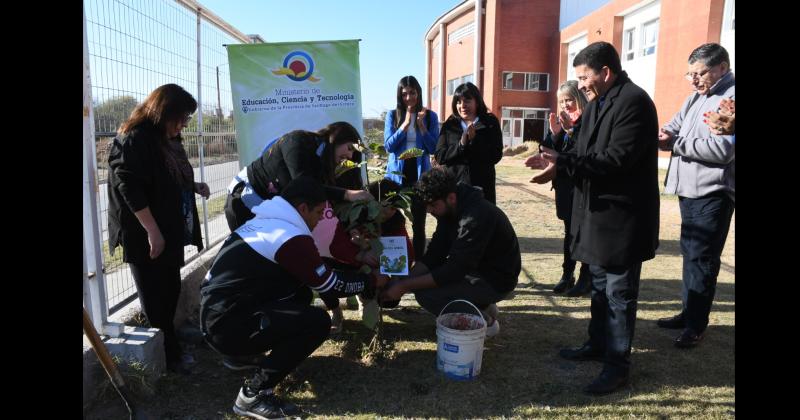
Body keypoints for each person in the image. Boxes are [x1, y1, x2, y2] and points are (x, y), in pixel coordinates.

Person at [525, 42, 660, 395]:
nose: (582, 85)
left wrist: (564, 162)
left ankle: (617, 366)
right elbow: (580, 151)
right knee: (599, 289)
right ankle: (596, 344)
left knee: (619, 295)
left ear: (605, 72)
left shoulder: (634, 102)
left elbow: (616, 160)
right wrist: (556, 160)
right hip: (597, 216)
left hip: (622, 219)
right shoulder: (599, 103)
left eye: (585, 78)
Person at [200, 176, 388, 419]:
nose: (321, 218)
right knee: (317, 322)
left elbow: (311, 266)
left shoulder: (268, 222)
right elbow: (329, 284)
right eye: (319, 211)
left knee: (299, 291)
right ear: (302, 209)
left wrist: (358, 259)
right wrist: (371, 281)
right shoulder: (287, 235)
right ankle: (253, 394)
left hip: (219, 315)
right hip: (226, 326)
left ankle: (242, 355)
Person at [107, 83, 210, 374]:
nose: (183, 125)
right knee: (155, 295)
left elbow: (167, 175)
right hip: (143, 231)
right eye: (181, 117)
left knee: (171, 288)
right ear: (163, 112)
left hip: (168, 226)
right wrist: (153, 231)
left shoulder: (166, 137)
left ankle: (171, 345)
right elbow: (130, 188)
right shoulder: (134, 138)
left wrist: (192, 186)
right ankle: (168, 357)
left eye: (187, 119)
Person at [656, 43, 735, 349]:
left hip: (712, 194)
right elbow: (672, 126)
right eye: (690, 73)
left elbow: (722, 151)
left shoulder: (730, 99)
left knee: (702, 260)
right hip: (689, 191)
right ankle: (689, 314)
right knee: (690, 256)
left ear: (722, 68)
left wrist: (676, 144)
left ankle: (696, 325)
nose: (693, 79)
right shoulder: (696, 97)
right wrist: (665, 135)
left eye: (700, 72)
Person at [380, 167, 520, 338]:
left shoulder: (475, 217)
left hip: (496, 280)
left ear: (451, 198)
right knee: (424, 283)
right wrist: (404, 278)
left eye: (433, 205)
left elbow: (454, 270)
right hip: (474, 273)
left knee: (427, 295)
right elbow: (434, 255)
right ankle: (481, 306)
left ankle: (484, 323)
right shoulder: (450, 210)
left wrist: (404, 286)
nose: (430, 211)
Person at [224, 121, 372, 231]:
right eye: (349, 148)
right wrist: (346, 194)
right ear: (336, 138)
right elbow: (303, 186)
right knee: (250, 254)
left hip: (269, 208)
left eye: (353, 154)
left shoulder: (323, 163)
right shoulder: (298, 141)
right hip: (245, 200)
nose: (350, 156)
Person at [325, 179, 416, 330]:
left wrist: (385, 271)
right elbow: (335, 247)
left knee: (389, 300)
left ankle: (366, 299)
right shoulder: (352, 216)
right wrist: (359, 253)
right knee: (325, 279)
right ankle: (335, 311)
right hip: (345, 265)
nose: (390, 212)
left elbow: (406, 254)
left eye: (395, 208)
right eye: (386, 206)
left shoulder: (395, 221)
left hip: (372, 269)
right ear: (371, 202)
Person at [531, 80, 592, 296]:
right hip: (564, 187)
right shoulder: (562, 122)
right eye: (562, 101)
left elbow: (583, 153)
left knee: (582, 234)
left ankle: (586, 277)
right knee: (569, 233)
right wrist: (555, 134)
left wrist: (571, 131)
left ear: (579, 98)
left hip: (582, 189)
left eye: (569, 99)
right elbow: (548, 150)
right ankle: (568, 274)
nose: (565, 104)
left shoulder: (588, 120)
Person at [384, 75, 440, 255]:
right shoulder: (393, 115)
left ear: (419, 92)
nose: (409, 98)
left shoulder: (430, 116)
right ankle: (394, 263)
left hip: (419, 176)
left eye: (412, 93)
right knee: (392, 221)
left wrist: (421, 126)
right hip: (396, 177)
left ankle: (418, 264)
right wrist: (405, 125)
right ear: (400, 96)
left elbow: (433, 148)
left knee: (419, 223)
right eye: (404, 94)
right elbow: (389, 146)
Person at [435, 82, 503, 204]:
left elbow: (496, 155)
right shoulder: (450, 125)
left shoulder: (490, 122)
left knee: (483, 222)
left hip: (482, 189)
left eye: (467, 101)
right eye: (458, 102)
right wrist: (461, 145)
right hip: (455, 189)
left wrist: (475, 140)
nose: (462, 106)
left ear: (477, 101)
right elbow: (440, 156)